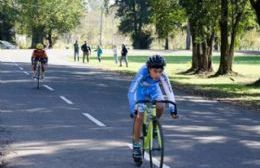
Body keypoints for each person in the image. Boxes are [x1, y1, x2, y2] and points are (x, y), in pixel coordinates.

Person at [128, 55, 178, 163]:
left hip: (154, 90)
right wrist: (133, 108)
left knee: (161, 106)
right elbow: (132, 91)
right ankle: (136, 146)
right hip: (141, 91)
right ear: (149, 68)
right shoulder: (142, 72)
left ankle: (154, 124)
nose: (158, 74)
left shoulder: (163, 75)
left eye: (160, 71)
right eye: (155, 71)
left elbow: (169, 92)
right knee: (139, 116)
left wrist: (173, 109)